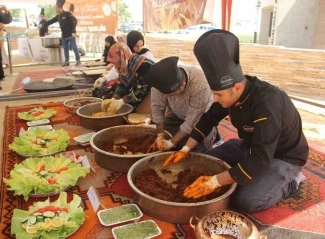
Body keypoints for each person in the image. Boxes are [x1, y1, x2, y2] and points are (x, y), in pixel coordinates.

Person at [164, 30, 309, 212]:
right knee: (199, 164)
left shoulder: (267, 102)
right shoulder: (229, 93)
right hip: (249, 146)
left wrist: (215, 181)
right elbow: (208, 119)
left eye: (218, 95)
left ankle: (292, 180)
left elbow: (261, 158)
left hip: (282, 156)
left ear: (237, 87)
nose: (215, 99)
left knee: (246, 201)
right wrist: (186, 149)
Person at [143, 56, 218, 153]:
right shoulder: (158, 83)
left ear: (183, 84)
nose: (169, 98)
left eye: (171, 95)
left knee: (192, 149)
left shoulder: (200, 84)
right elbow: (157, 109)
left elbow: (191, 122)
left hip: (202, 119)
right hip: (177, 115)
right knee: (150, 137)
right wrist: (160, 135)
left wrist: (171, 143)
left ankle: (214, 133)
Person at [93, 31, 155, 97]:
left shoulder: (143, 61)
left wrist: (123, 101)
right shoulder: (125, 55)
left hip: (149, 90)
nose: (139, 49)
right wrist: (105, 78)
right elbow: (120, 72)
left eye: (141, 45)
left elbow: (141, 90)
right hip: (136, 87)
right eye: (136, 46)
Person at [101, 42, 154, 112]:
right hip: (142, 91)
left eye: (118, 64)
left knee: (140, 114)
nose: (116, 67)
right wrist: (114, 98)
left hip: (155, 91)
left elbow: (141, 91)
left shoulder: (142, 66)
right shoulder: (125, 65)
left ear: (123, 58)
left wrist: (122, 101)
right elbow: (122, 84)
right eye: (114, 64)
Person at [40, 0, 80, 67]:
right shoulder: (58, 16)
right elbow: (50, 21)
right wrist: (42, 24)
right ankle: (67, 62)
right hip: (64, 35)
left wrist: (73, 31)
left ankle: (78, 61)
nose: (55, 9)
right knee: (65, 49)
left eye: (56, 8)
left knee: (74, 48)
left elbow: (74, 21)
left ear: (59, 7)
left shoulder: (67, 14)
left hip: (70, 35)